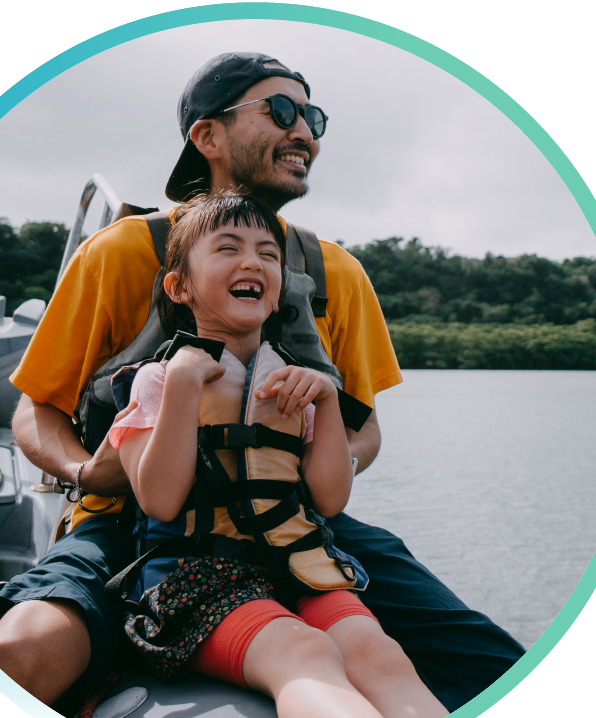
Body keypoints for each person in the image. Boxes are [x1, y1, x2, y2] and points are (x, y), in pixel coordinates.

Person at [0, 52, 524, 714]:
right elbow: (37, 410)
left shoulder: (337, 272)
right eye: (283, 111)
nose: (306, 133)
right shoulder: (123, 252)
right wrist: (90, 473)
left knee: (495, 666)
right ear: (206, 136)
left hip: (294, 519)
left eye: (314, 117)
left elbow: (365, 425)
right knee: (23, 653)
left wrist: (309, 459)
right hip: (130, 520)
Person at [105, 190, 448, 718]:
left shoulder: (294, 383)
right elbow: (160, 502)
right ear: (180, 287)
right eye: (228, 248)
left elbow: (329, 500)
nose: (253, 261)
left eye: (268, 253)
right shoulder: (157, 379)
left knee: (380, 654)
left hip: (298, 568)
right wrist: (181, 384)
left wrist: (328, 400)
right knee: (303, 650)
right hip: (195, 582)